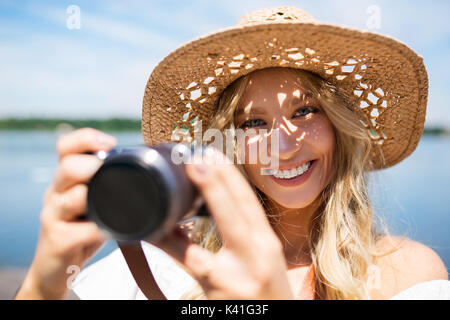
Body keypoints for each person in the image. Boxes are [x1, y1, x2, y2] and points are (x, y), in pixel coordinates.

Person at [15, 6, 449, 300]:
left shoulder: (407, 276)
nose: (282, 143)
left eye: (305, 110)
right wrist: (42, 282)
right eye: (253, 122)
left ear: (339, 128)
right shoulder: (161, 265)